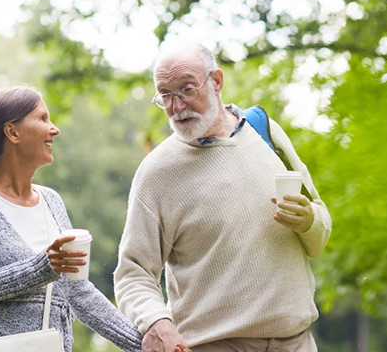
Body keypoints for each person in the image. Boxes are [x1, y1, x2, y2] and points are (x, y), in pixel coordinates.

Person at [113, 43, 332, 352]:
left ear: (216, 81)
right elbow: (133, 273)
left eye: (186, 90)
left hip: (298, 342)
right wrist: (155, 322)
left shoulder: (265, 132)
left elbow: (320, 234)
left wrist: (309, 221)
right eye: (165, 95)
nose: (176, 107)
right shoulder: (157, 172)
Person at [0, 86, 142, 352]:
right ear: (12, 132)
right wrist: (38, 269)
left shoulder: (51, 201)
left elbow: (78, 292)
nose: (54, 129)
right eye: (43, 119)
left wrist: (143, 345)